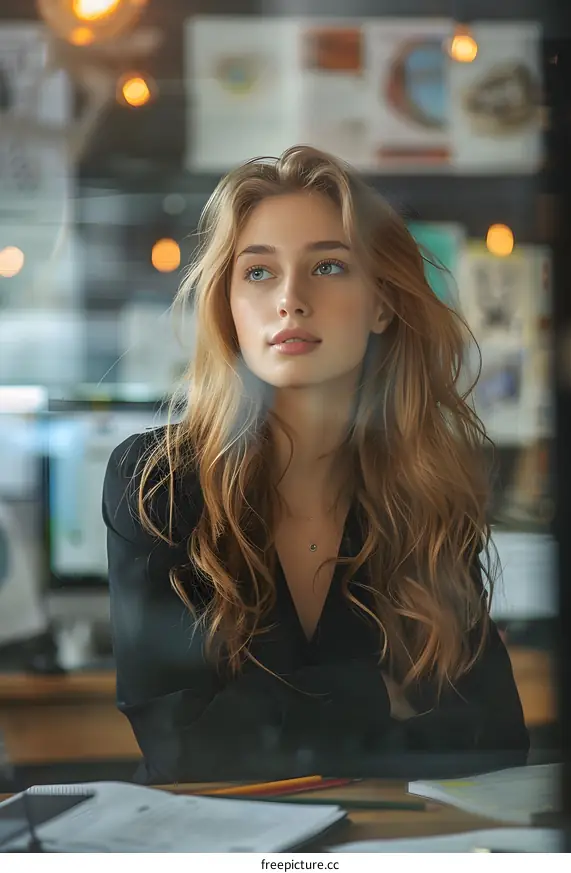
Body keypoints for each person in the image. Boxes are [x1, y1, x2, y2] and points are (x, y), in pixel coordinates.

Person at [103, 146, 529, 784]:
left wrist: (274, 720)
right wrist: (376, 697)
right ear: (227, 307)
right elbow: (186, 748)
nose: (290, 300)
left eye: (327, 266)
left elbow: (491, 737)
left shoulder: (424, 489)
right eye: (258, 273)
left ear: (382, 304)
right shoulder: (158, 482)